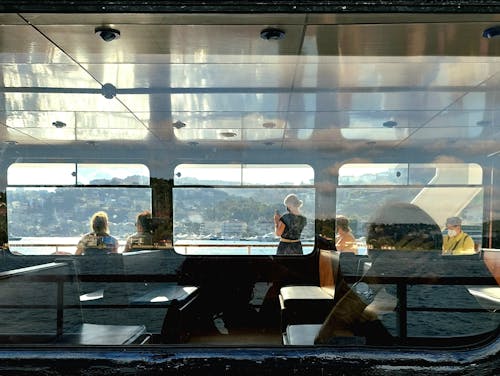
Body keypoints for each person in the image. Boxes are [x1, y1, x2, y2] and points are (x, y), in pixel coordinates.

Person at [315, 202, 443, 345]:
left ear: (415, 251)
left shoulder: (439, 308)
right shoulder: (416, 295)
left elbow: (325, 338)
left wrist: (373, 279)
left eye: (383, 248)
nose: (374, 258)